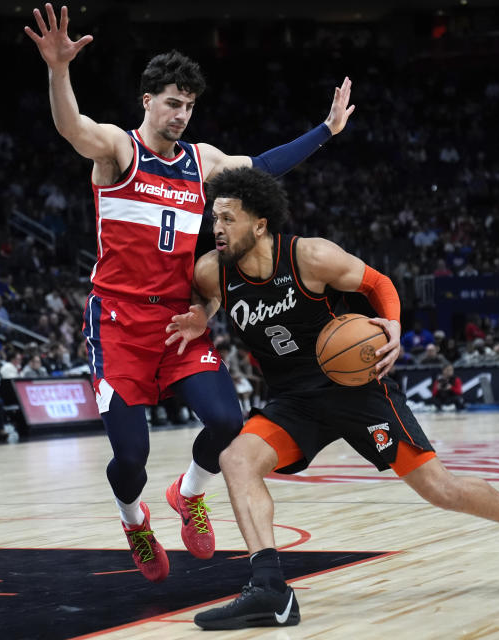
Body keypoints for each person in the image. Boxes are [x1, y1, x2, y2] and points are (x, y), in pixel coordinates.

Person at [166, 168, 499, 630]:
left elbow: (378, 283)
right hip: (294, 401)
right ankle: (271, 591)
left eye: (228, 218)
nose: (216, 227)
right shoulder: (211, 271)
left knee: (440, 489)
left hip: (358, 388)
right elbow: (213, 298)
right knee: (236, 459)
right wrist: (201, 316)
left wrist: (392, 323)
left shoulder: (310, 256)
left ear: (259, 224)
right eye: (214, 217)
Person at [25, 3, 355, 582]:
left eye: (190, 105)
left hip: (180, 320)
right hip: (119, 325)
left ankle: (188, 493)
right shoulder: (118, 151)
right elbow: (70, 127)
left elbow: (263, 166)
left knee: (229, 423)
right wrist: (59, 70)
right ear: (147, 100)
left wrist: (324, 132)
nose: (182, 114)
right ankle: (134, 520)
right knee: (131, 458)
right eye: (173, 103)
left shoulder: (203, 162)